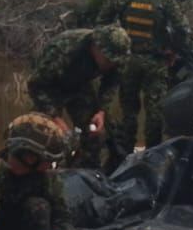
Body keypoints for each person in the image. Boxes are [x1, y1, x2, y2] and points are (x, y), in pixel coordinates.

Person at [97, 0, 193, 156]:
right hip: (156, 61)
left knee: (129, 110)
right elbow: (182, 29)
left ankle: (125, 153)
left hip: (127, 60)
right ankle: (152, 155)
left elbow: (101, 25)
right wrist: (174, 50)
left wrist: (113, 48)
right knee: (155, 112)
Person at [27, 25, 130, 169]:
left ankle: (85, 172)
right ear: (96, 47)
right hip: (49, 88)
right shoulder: (64, 49)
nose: (111, 63)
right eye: (108, 59)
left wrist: (101, 111)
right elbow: (36, 85)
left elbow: (111, 83)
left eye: (114, 60)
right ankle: (39, 175)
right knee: (42, 135)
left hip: (80, 85)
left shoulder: (118, 56)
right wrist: (55, 117)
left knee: (94, 132)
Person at [0, 114, 73, 230]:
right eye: (47, 161)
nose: (48, 167)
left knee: (39, 207)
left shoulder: (45, 179)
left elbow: (64, 217)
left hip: (16, 229)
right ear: (28, 156)